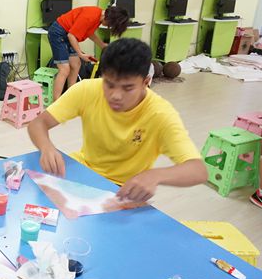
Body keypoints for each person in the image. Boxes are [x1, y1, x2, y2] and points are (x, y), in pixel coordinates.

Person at [28, 38, 208, 203]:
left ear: (146, 82)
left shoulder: (160, 114)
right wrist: (47, 147)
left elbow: (198, 170)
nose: (115, 95)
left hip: (124, 190)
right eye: (109, 84)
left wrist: (156, 175)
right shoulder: (87, 90)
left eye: (127, 88)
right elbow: (38, 123)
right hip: (83, 171)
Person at [48, 5, 130, 100]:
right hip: (58, 33)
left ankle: (70, 97)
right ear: (109, 18)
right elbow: (71, 36)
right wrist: (80, 54)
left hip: (67, 34)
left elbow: (89, 33)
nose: (108, 27)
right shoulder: (90, 16)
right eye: (110, 25)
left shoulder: (98, 18)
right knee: (64, 69)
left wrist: (102, 45)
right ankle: (56, 102)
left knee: (76, 65)